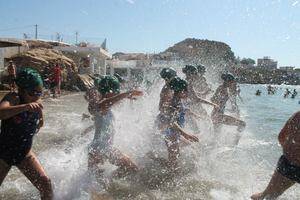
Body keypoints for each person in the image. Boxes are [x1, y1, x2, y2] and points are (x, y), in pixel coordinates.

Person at [0, 68, 52, 200]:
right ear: (21, 90)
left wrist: (40, 118)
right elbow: (1, 112)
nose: (37, 96)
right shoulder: (13, 98)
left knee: (45, 183)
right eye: (33, 92)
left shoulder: (37, 102)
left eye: (39, 92)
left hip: (24, 153)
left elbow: (39, 117)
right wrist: (25, 107)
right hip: (3, 153)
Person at [87, 75, 143, 178]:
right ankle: (110, 179)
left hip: (100, 148)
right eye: (116, 91)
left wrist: (126, 97)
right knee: (133, 168)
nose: (118, 93)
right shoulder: (101, 106)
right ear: (109, 92)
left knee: (94, 182)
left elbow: (110, 102)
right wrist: (127, 94)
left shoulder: (102, 106)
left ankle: (109, 181)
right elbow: (106, 103)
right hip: (102, 149)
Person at [251, 111, 300, 200]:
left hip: (290, 163)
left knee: (266, 196)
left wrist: (289, 151)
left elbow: (281, 137)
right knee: (265, 196)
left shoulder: (297, 115)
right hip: (290, 164)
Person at [154, 77, 199, 170]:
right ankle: (154, 161)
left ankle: (158, 161)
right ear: (180, 91)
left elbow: (180, 110)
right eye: (186, 90)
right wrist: (186, 135)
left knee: (186, 149)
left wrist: (190, 112)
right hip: (170, 132)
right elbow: (171, 122)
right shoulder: (173, 102)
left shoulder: (177, 100)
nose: (187, 93)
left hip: (174, 132)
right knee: (173, 160)